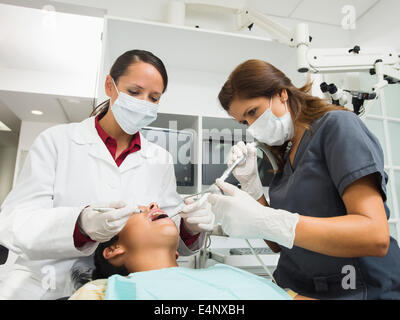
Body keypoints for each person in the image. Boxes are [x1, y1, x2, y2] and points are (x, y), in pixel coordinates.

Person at [0, 50, 214, 300]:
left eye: (154, 98)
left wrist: (189, 226)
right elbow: (15, 222)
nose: (144, 103)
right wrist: (81, 224)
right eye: (134, 92)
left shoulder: (159, 158)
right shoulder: (57, 141)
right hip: (43, 285)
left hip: (124, 289)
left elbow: (167, 227)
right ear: (110, 86)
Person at [207, 59, 400, 300]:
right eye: (244, 122)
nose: (252, 127)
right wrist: (253, 191)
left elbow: (374, 236)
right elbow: (280, 242)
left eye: (253, 112)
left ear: (282, 94)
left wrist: (269, 219)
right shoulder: (287, 153)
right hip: (307, 288)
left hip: (361, 287)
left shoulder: (338, 126)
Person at [69, 202, 311, 300]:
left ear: (177, 252)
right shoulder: (104, 292)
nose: (153, 205)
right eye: (137, 211)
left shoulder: (225, 273)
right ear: (113, 249)